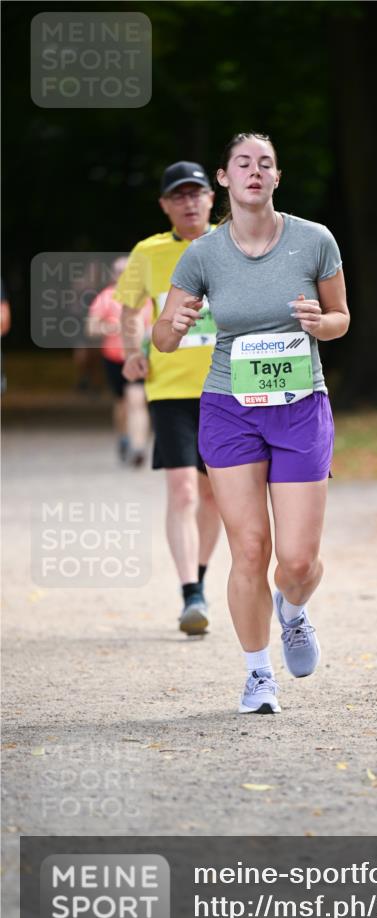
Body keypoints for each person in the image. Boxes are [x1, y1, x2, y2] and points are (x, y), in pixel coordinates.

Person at [153, 132, 350, 714]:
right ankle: (257, 673)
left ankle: (292, 611)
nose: (255, 171)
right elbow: (162, 339)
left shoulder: (314, 240)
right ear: (225, 178)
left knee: (296, 562)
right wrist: (178, 322)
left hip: (299, 406)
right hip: (228, 407)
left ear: (277, 178)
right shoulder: (203, 254)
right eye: (244, 163)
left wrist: (322, 323)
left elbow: (342, 318)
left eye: (266, 163)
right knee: (250, 549)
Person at [115, 162, 223, 634]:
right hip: (171, 388)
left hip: (228, 387)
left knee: (214, 495)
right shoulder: (149, 252)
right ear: (165, 205)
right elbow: (130, 307)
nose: (189, 202)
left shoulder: (234, 241)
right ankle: (190, 594)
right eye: (178, 195)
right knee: (181, 489)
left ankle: (198, 577)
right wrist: (130, 353)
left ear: (211, 198)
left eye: (197, 193)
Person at [86, 256, 152, 465]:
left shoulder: (146, 296)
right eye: (119, 271)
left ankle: (139, 447)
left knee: (137, 400)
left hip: (139, 356)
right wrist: (110, 328)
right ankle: (124, 438)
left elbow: (157, 323)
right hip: (114, 358)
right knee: (122, 404)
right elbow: (91, 328)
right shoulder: (106, 297)